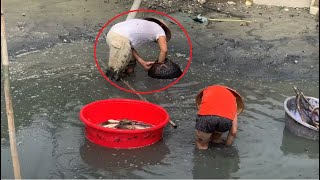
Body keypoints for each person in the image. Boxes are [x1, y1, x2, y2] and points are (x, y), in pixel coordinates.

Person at [105, 17, 171, 81]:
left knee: (130, 66)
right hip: (119, 39)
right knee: (114, 72)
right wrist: (159, 65)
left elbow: (130, 47)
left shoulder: (145, 27)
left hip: (115, 35)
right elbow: (164, 50)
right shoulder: (160, 31)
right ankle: (111, 86)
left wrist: (143, 62)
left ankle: (128, 81)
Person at [195, 85, 244, 149]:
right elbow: (233, 131)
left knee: (201, 144)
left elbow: (201, 109)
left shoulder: (207, 91)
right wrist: (227, 147)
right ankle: (216, 139)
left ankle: (202, 153)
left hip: (208, 117)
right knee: (216, 136)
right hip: (225, 120)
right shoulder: (233, 100)